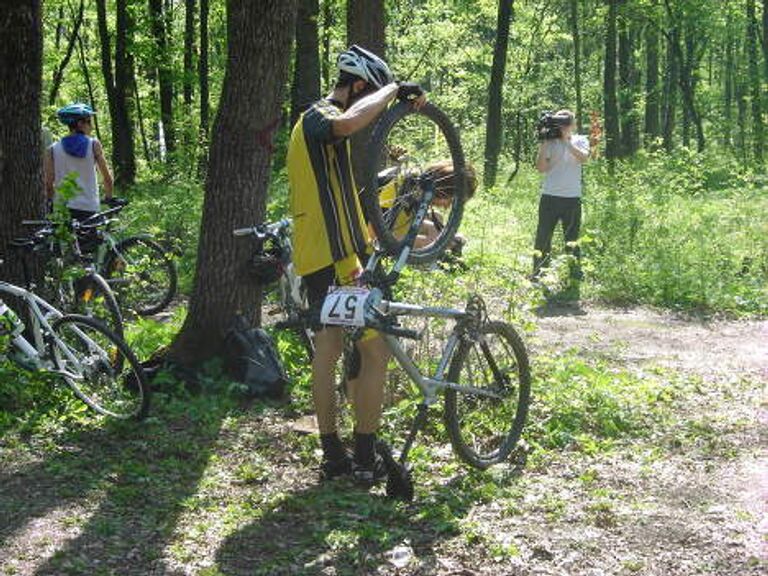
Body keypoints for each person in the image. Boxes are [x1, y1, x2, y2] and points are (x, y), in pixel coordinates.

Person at [287, 45, 426, 485]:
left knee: (331, 350)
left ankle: (335, 457)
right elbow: (347, 121)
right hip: (335, 255)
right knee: (373, 349)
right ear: (360, 85)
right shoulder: (318, 115)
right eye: (371, 89)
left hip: (325, 253)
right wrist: (391, 92)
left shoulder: (318, 128)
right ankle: (363, 456)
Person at [532, 109, 589, 281]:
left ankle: (574, 273)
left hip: (572, 198)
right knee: (543, 237)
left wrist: (566, 141)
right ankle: (539, 273)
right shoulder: (550, 142)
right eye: (560, 123)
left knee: (572, 237)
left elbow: (584, 158)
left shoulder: (580, 140)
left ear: (573, 125)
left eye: (566, 123)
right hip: (549, 196)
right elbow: (541, 168)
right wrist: (543, 144)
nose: (563, 126)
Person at [44, 103, 114, 221]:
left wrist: (51, 203)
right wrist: (109, 198)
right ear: (80, 124)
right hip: (89, 208)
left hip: (62, 208)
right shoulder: (94, 145)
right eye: (89, 122)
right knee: (91, 239)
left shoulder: (52, 149)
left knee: (63, 239)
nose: (91, 127)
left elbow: (48, 184)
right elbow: (107, 179)